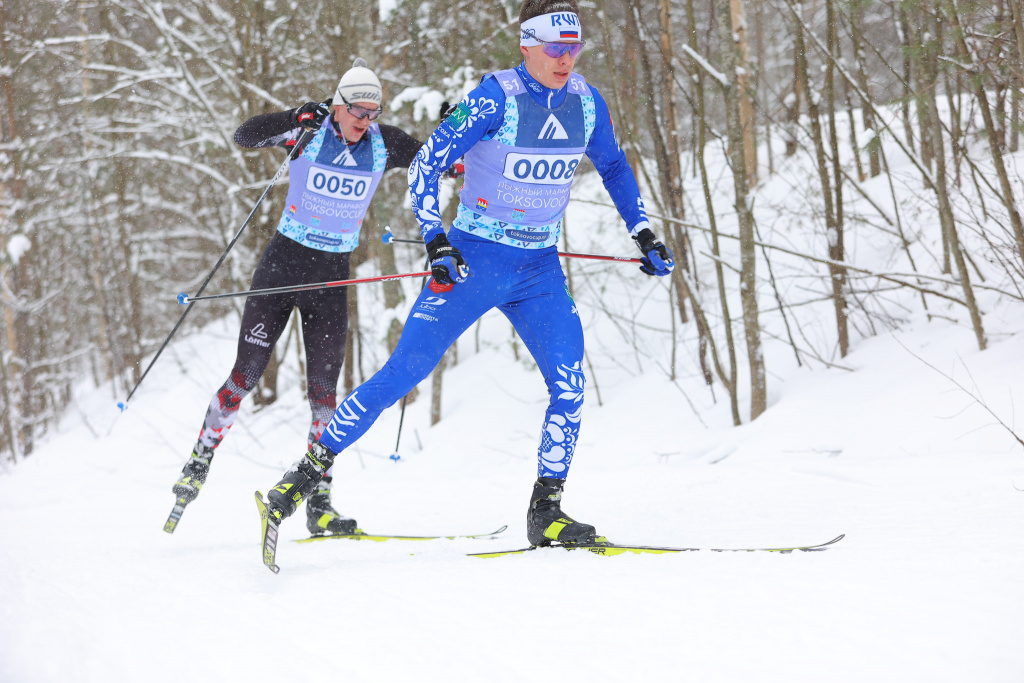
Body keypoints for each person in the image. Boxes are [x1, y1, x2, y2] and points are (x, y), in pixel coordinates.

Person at [259, 0, 674, 548]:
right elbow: (428, 161)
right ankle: (296, 485)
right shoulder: (495, 98)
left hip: (538, 271)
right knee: (401, 375)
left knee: (570, 386)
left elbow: (616, 166)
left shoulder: (587, 102)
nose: (566, 58)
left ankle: (546, 513)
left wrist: (642, 231)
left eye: (573, 48)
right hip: (473, 262)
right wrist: (434, 239)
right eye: (555, 47)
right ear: (527, 44)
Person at [173, 59, 425, 536]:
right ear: (338, 104)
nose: (364, 121)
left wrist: (459, 135)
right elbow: (244, 136)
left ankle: (319, 501)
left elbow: (439, 158)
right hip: (281, 270)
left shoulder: (383, 143)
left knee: (325, 398)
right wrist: (292, 116)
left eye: (373, 112)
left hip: (332, 281)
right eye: (357, 111)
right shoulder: (308, 132)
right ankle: (201, 457)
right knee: (244, 376)